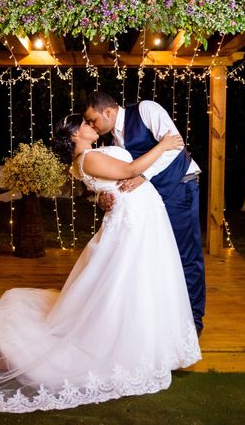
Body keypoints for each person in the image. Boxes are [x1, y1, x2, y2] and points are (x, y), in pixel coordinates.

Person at [0, 114, 201, 413]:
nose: (91, 126)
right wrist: (165, 145)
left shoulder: (92, 154)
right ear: (73, 136)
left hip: (140, 215)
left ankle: (153, 336)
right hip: (134, 222)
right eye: (84, 124)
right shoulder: (87, 158)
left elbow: (114, 181)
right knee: (129, 279)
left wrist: (106, 196)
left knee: (143, 277)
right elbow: (131, 169)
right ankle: (126, 339)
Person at [83, 91, 206, 336]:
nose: (90, 125)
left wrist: (143, 176)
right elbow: (117, 175)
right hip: (149, 202)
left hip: (179, 188)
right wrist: (104, 197)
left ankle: (193, 321)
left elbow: (175, 145)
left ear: (107, 111)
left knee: (185, 254)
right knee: (157, 257)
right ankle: (166, 316)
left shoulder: (146, 109)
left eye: (92, 119)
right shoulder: (111, 142)